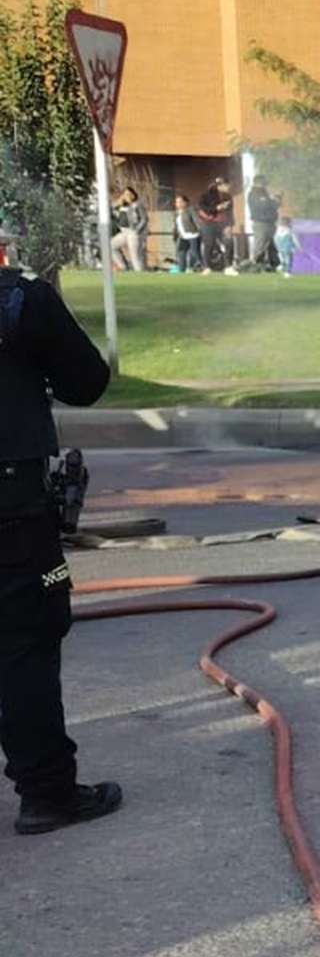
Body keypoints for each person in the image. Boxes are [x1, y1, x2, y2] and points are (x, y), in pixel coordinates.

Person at [0, 223, 119, 835]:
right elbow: (87, 383)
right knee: (25, 642)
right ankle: (48, 791)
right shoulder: (22, 296)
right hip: (12, 511)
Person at [196, 177, 235, 274]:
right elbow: (202, 208)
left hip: (223, 223)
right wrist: (217, 208)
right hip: (208, 223)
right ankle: (206, 267)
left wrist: (229, 225)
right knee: (209, 244)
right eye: (226, 185)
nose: (229, 187)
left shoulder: (228, 196)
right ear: (219, 186)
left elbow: (230, 212)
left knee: (229, 242)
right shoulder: (206, 195)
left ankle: (228, 267)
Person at [245, 179, 280, 273]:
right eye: (263, 183)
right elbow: (263, 205)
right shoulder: (254, 194)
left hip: (269, 222)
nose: (265, 185)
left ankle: (273, 264)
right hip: (260, 222)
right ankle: (254, 264)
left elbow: (270, 204)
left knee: (269, 244)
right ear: (257, 183)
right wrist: (274, 201)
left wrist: (275, 200)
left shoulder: (265, 194)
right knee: (259, 244)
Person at [108, 188, 144, 273]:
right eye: (125, 194)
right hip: (124, 232)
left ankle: (140, 274)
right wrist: (117, 203)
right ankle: (123, 267)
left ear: (133, 195)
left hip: (132, 232)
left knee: (134, 256)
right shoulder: (121, 205)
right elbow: (110, 210)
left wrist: (138, 229)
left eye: (129, 194)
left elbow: (144, 219)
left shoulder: (136, 205)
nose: (127, 196)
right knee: (111, 246)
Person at [173, 193, 202, 274]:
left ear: (185, 202)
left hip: (193, 235)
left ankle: (200, 267)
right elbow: (176, 226)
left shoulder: (190, 210)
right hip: (183, 237)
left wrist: (200, 230)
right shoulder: (176, 213)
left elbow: (197, 220)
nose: (178, 204)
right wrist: (175, 235)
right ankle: (181, 270)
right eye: (176, 202)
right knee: (181, 253)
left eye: (180, 202)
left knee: (194, 252)